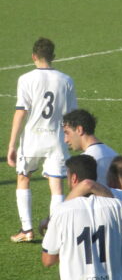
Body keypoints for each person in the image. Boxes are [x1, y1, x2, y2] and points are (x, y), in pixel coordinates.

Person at [7, 37, 77, 243]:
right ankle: (55, 231)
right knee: (56, 186)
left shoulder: (25, 79)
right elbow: (72, 114)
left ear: (33, 56)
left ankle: (26, 230)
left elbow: (21, 112)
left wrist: (12, 144)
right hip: (56, 139)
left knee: (23, 178)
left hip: (32, 139)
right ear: (53, 57)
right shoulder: (66, 80)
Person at [63, 109, 118, 185]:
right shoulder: (115, 155)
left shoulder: (82, 163)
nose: (65, 140)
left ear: (79, 130)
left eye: (67, 133)